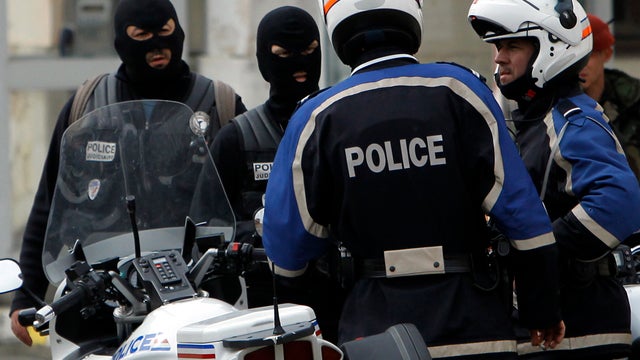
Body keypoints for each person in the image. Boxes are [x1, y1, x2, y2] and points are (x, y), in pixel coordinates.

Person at [262, 1, 565, 358]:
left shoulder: (315, 116)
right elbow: (525, 217)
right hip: (472, 326)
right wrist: (541, 310)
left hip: (374, 337)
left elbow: (286, 253)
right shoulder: (460, 90)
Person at [10, 0, 247, 346]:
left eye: (165, 32)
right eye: (142, 35)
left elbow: (247, 201)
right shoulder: (87, 108)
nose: (157, 46)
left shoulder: (218, 105)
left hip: (200, 297)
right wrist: (25, 295)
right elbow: (48, 204)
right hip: (102, 302)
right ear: (122, 40)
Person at [468, 0, 640, 358]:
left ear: (551, 47)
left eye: (512, 46)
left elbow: (619, 201)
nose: (499, 58)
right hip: (555, 329)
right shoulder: (535, 120)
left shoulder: (569, 120)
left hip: (582, 330)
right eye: (498, 46)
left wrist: (540, 251)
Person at [209, 5, 343, 342]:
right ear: (265, 59)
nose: (300, 63)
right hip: (260, 311)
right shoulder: (237, 139)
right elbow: (207, 227)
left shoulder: (341, 126)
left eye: (311, 51)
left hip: (336, 305)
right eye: (285, 54)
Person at [579, 13, 640, 182]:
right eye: (576, 56)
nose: (581, 65)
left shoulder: (633, 101)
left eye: (589, 55)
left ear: (606, 54)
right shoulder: (560, 104)